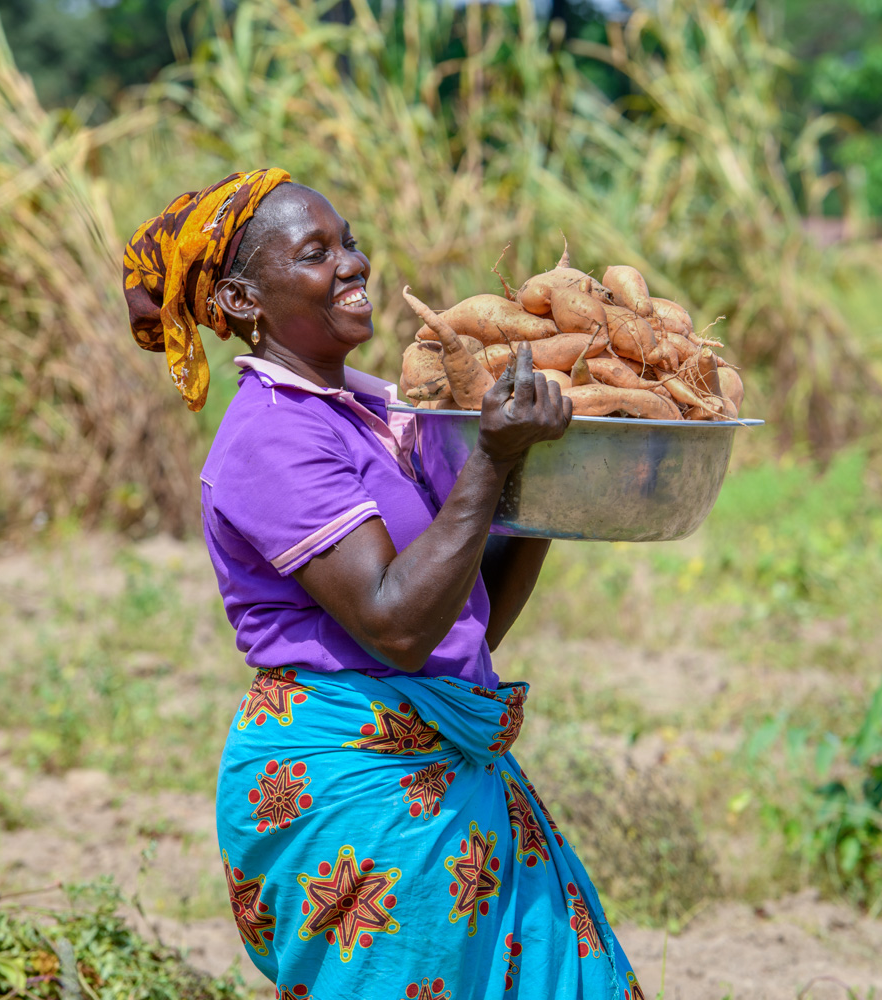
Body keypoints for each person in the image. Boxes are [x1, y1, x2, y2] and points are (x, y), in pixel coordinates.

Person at [123, 169, 645, 1000]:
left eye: (351, 242)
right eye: (316, 253)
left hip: (445, 770)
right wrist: (494, 462)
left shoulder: (374, 414)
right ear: (246, 301)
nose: (353, 264)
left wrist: (547, 485)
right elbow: (396, 625)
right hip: (359, 788)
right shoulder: (273, 436)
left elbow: (463, 621)